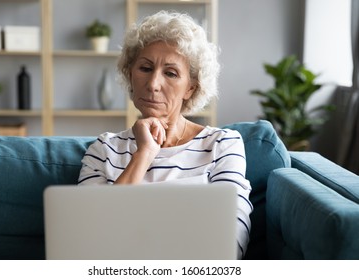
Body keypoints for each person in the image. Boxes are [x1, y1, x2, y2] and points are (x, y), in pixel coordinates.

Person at [78, 11, 253, 259]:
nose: (153, 84)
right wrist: (145, 153)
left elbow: (229, 245)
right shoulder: (103, 149)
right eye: (145, 68)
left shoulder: (223, 145)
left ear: (191, 87)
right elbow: (89, 240)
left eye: (170, 73)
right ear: (130, 75)